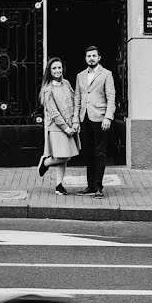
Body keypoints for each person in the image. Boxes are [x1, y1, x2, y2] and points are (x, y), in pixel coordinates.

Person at [72, 46, 116, 199]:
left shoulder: (106, 74)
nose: (91, 58)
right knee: (88, 153)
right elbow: (77, 98)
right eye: (88, 56)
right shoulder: (80, 75)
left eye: (94, 56)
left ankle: (98, 187)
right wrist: (75, 119)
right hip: (85, 118)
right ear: (85, 58)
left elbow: (111, 97)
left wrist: (108, 117)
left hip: (100, 119)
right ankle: (90, 186)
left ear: (99, 58)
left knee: (100, 153)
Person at [37, 57, 79, 195]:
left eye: (59, 68)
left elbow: (73, 102)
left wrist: (74, 122)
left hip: (70, 125)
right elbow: (54, 113)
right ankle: (46, 163)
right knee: (63, 156)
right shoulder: (47, 89)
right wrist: (66, 128)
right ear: (49, 70)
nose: (57, 71)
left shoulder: (66, 83)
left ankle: (59, 185)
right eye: (54, 68)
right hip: (57, 128)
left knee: (66, 156)